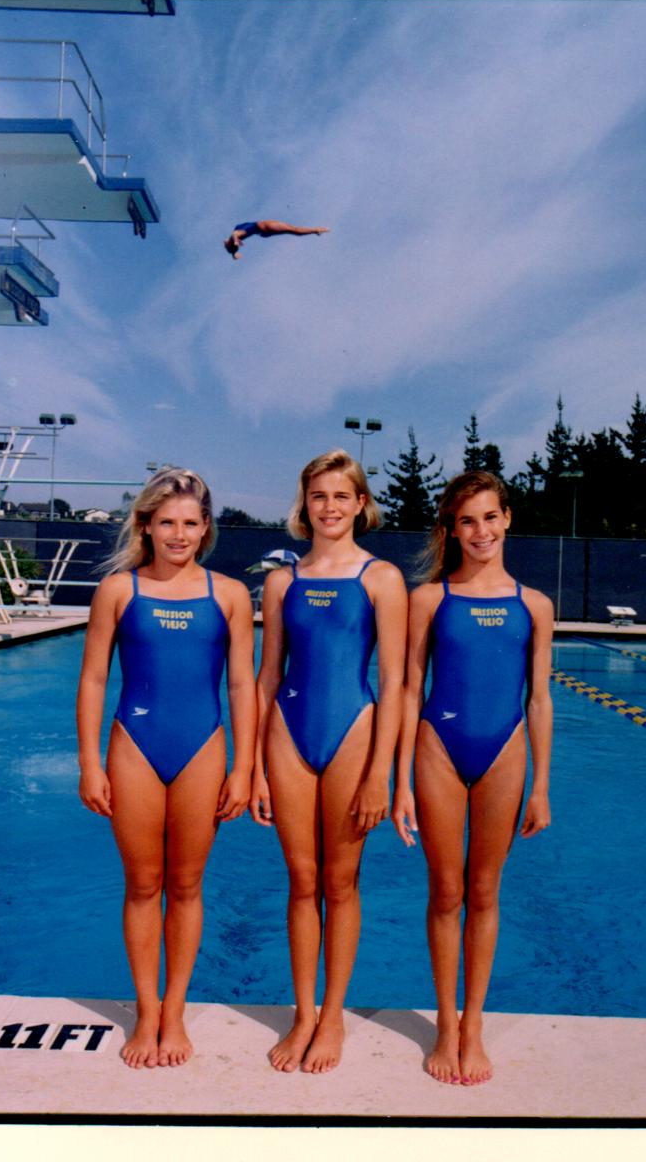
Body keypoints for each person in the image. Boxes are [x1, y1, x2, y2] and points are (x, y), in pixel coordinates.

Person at [76, 467, 256, 1069]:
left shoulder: (228, 594)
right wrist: (89, 763)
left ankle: (174, 1011)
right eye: (166, 523)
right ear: (146, 525)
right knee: (142, 885)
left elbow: (240, 685)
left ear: (205, 528)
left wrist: (244, 767)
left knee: (185, 885)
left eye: (189, 523)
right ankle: (145, 1009)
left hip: (203, 748)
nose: (178, 534)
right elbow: (95, 679)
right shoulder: (118, 591)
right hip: (135, 747)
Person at [392, 471, 553, 1086]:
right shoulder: (429, 599)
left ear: (507, 518)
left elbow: (538, 699)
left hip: (505, 752)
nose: (480, 531)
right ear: (451, 529)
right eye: (467, 521)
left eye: (490, 517)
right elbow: (409, 689)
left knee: (484, 891)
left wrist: (540, 785)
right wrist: (401, 780)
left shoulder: (533, 605)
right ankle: (445, 1022)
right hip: (438, 748)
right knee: (445, 890)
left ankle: (475, 1024)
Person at [251, 450, 407, 1073]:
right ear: (304, 504)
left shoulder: (382, 579)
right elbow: (267, 678)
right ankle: (302, 1014)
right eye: (319, 496)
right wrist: (257, 767)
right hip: (289, 733)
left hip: (354, 734)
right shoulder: (281, 582)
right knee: (301, 882)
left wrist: (380, 772)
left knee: (340, 884)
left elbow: (394, 682)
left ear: (361, 504)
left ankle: (334, 1016)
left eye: (342, 496)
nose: (331, 507)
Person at [224, 219, 329, 259]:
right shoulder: (237, 234)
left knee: (293, 230)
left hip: (263, 232)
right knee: (293, 229)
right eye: (226, 247)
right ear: (229, 244)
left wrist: (234, 254)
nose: (223, 244)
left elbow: (233, 247)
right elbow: (235, 234)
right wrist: (236, 241)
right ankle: (316, 230)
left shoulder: (234, 236)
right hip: (266, 227)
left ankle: (315, 230)